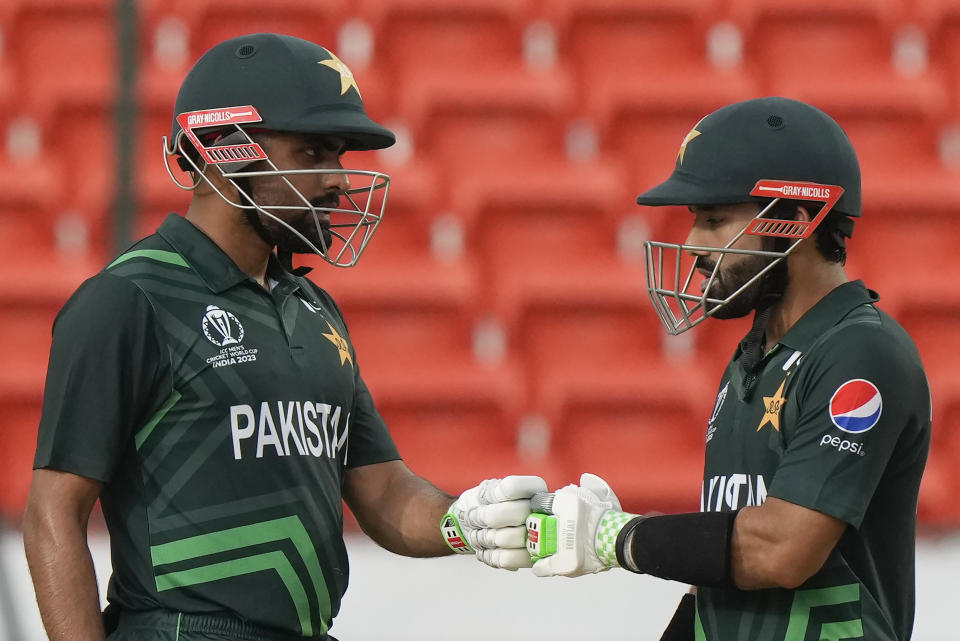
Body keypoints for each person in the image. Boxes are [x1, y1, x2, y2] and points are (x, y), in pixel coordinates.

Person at [23, 33, 544, 641]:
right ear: (228, 151)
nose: (338, 182)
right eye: (313, 153)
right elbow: (52, 514)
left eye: (339, 156)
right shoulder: (128, 300)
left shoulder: (313, 306)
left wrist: (471, 521)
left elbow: (383, 490)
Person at [527, 97, 931, 641]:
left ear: (796, 218)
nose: (694, 244)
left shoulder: (860, 354)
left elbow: (781, 550)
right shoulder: (753, 358)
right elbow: (720, 576)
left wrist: (618, 538)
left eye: (715, 220)